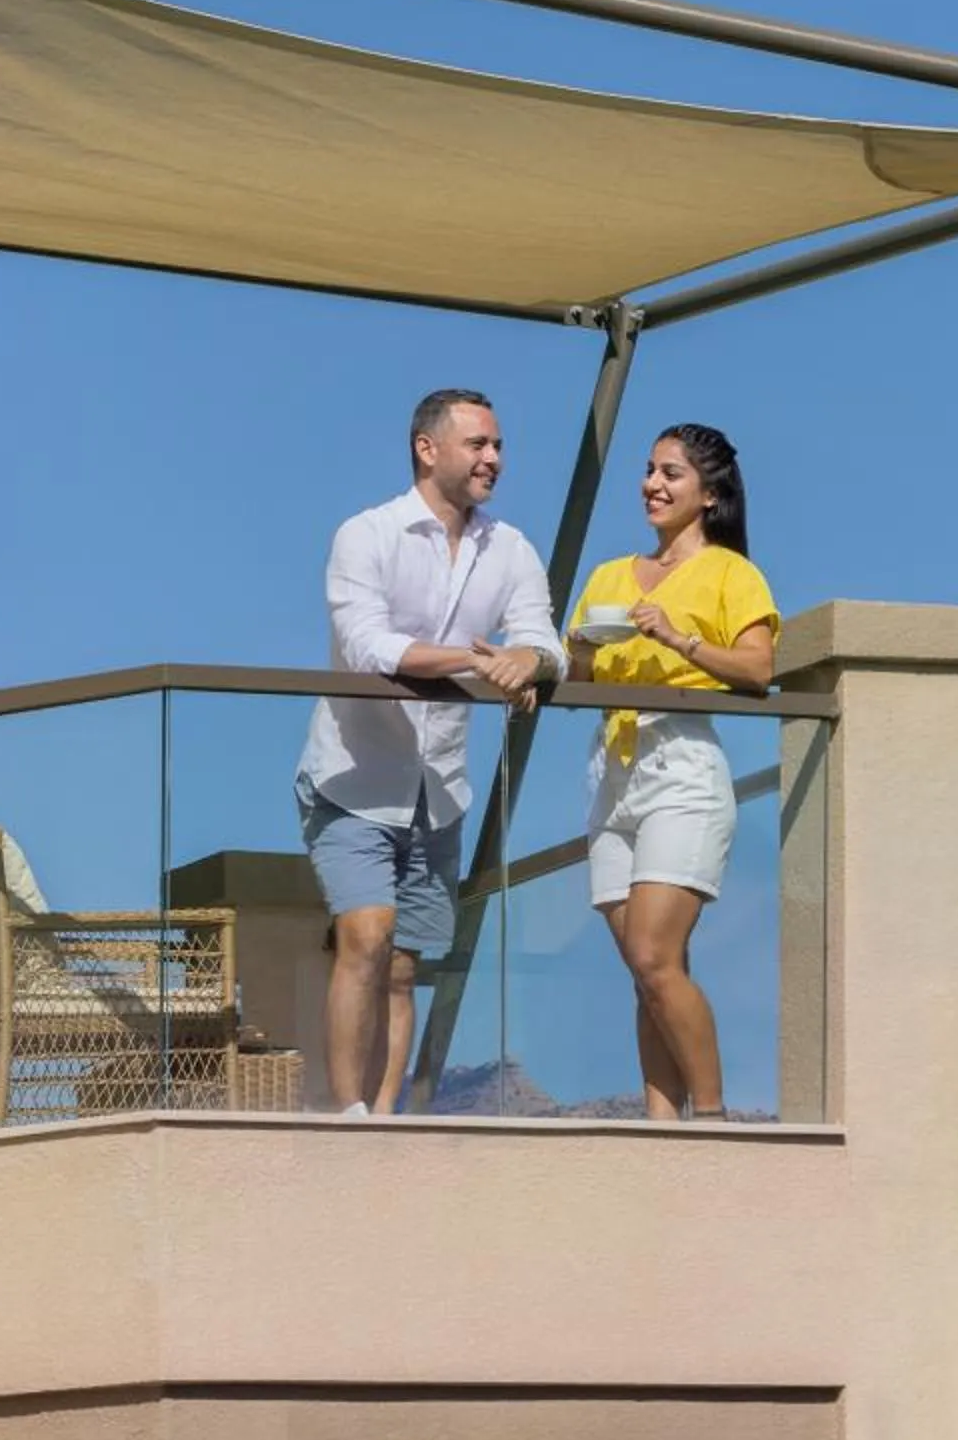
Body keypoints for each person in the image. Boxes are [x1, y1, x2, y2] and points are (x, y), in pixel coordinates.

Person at [295, 388, 562, 1115]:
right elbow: (366, 646)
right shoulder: (367, 534)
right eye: (478, 444)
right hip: (353, 778)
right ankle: (348, 1115)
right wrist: (482, 662)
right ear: (427, 448)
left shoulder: (510, 549)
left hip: (439, 790)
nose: (494, 458)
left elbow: (544, 643)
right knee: (367, 934)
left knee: (402, 965)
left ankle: (385, 1119)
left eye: (498, 446)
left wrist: (529, 663)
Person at [567, 424, 778, 1121]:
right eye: (650, 470)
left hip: (680, 764)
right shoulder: (608, 576)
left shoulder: (731, 574)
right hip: (611, 769)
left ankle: (711, 1119)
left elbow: (758, 669)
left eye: (670, 474)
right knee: (646, 971)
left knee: (654, 954)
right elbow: (578, 678)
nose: (652, 485)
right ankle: (664, 1126)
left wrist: (678, 638)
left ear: (709, 494)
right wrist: (577, 652)